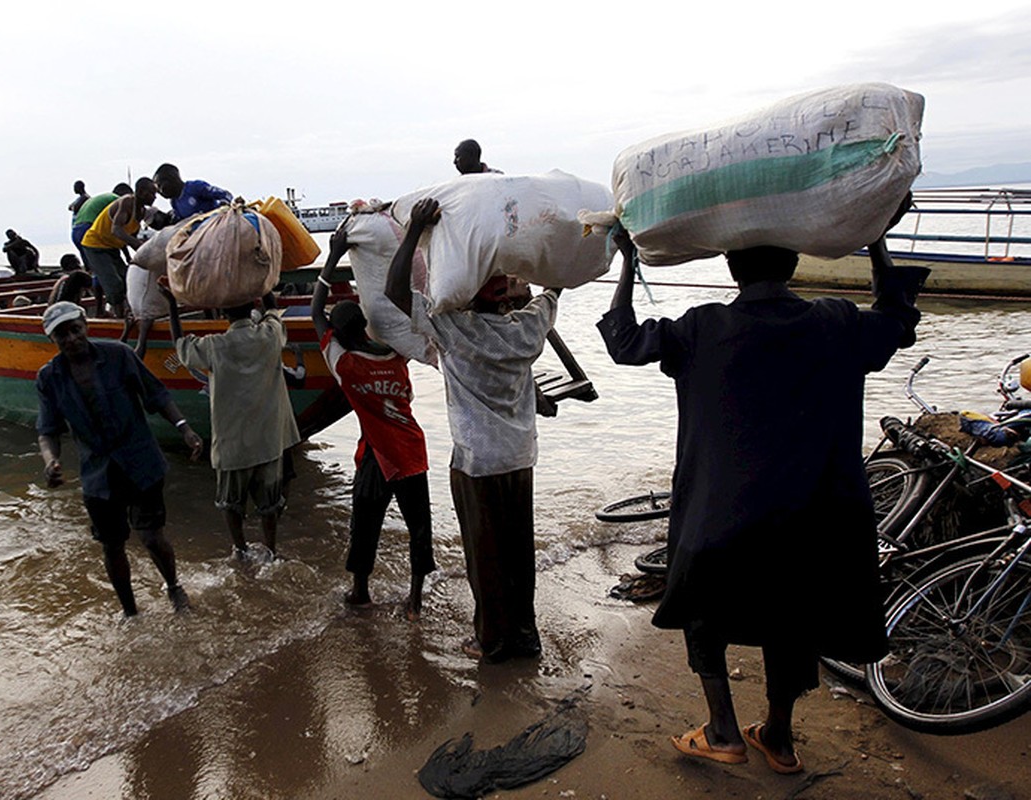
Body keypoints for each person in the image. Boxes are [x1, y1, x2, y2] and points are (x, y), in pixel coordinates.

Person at [598, 196, 927, 773]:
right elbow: (898, 319)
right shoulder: (836, 322)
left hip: (720, 516)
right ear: (794, 264)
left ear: (730, 268)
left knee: (704, 607)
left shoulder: (702, 327)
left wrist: (628, 262)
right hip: (812, 518)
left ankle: (722, 728)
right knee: (790, 613)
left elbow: (623, 342)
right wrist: (873, 235)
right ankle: (777, 736)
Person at [387, 197, 560, 662]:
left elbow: (395, 293)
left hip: (477, 462)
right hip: (520, 458)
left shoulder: (451, 328)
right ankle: (525, 634)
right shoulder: (528, 330)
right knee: (518, 552)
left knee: (485, 559)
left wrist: (414, 230)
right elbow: (555, 289)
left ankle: (491, 640)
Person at [36, 301, 204, 616]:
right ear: (52, 340)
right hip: (98, 475)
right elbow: (48, 430)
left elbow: (156, 394)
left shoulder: (118, 355)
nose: (71, 338)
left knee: (152, 536)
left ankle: (173, 586)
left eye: (75, 329)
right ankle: (130, 612)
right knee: (112, 545)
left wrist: (185, 429)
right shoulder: (49, 378)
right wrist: (50, 461)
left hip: (140, 461)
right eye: (62, 334)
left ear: (85, 325)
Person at [312, 260, 436, 619]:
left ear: (339, 334)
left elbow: (316, 311)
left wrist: (332, 256)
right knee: (419, 527)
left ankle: (360, 593)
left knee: (365, 523)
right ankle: (414, 602)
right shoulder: (396, 358)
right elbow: (407, 399)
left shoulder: (346, 365)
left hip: (378, 456)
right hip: (412, 450)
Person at [171, 292, 301, 559]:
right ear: (252, 305)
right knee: (269, 504)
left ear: (222, 314)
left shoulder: (215, 345)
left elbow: (181, 345)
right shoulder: (270, 335)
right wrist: (262, 288)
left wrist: (172, 305)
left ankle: (239, 550)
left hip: (233, 444)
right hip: (268, 440)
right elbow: (273, 311)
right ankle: (271, 551)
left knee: (230, 503)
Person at [80, 178, 156, 317]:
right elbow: (117, 230)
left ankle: (129, 314)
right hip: (95, 246)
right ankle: (119, 319)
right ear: (140, 192)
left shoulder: (141, 212)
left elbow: (128, 237)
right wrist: (137, 244)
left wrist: (141, 257)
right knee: (114, 284)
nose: (155, 197)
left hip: (111, 248)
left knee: (127, 279)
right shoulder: (127, 202)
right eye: (151, 193)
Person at [72, 182, 132, 265]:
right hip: (87, 230)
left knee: (91, 267)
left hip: (75, 232)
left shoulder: (102, 198)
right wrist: (128, 257)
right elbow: (118, 232)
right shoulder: (118, 200)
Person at [153, 163, 232, 225]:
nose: (160, 192)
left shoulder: (195, 187)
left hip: (216, 225)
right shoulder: (174, 202)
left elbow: (225, 194)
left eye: (160, 186)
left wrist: (224, 204)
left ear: (173, 178)